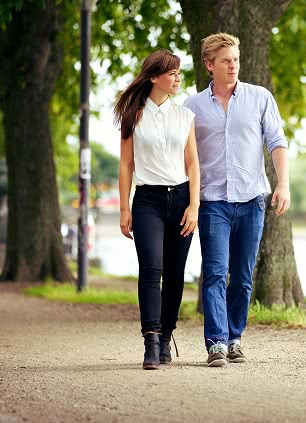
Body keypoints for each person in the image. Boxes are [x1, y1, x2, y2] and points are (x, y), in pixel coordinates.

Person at [184, 33, 290, 367]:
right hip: (212, 201)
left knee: (243, 277)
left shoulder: (260, 98)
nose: (233, 66)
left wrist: (283, 185)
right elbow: (184, 156)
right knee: (215, 272)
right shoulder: (193, 107)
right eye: (226, 60)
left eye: (236, 59)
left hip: (251, 201)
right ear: (209, 65)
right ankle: (215, 343)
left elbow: (276, 141)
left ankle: (234, 338)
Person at [115, 49, 200, 370]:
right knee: (152, 270)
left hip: (181, 199)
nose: (178, 78)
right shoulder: (133, 114)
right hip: (147, 200)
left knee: (176, 275)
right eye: (172, 73)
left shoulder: (185, 116)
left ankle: (166, 336)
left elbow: (193, 162)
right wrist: (124, 208)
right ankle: (150, 341)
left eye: (179, 73)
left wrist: (194, 204)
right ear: (154, 77)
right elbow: (125, 164)